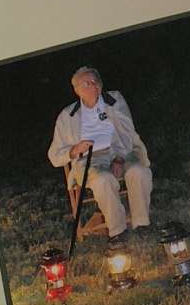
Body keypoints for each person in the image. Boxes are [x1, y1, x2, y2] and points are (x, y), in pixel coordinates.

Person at [48, 65, 152, 243]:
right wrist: (74, 150)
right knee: (103, 179)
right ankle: (117, 231)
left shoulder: (114, 100)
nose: (93, 85)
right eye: (86, 83)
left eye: (95, 81)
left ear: (101, 84)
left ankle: (142, 223)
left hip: (121, 150)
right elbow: (54, 155)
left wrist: (119, 158)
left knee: (139, 171)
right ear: (77, 90)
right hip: (90, 160)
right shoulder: (68, 115)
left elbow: (127, 131)